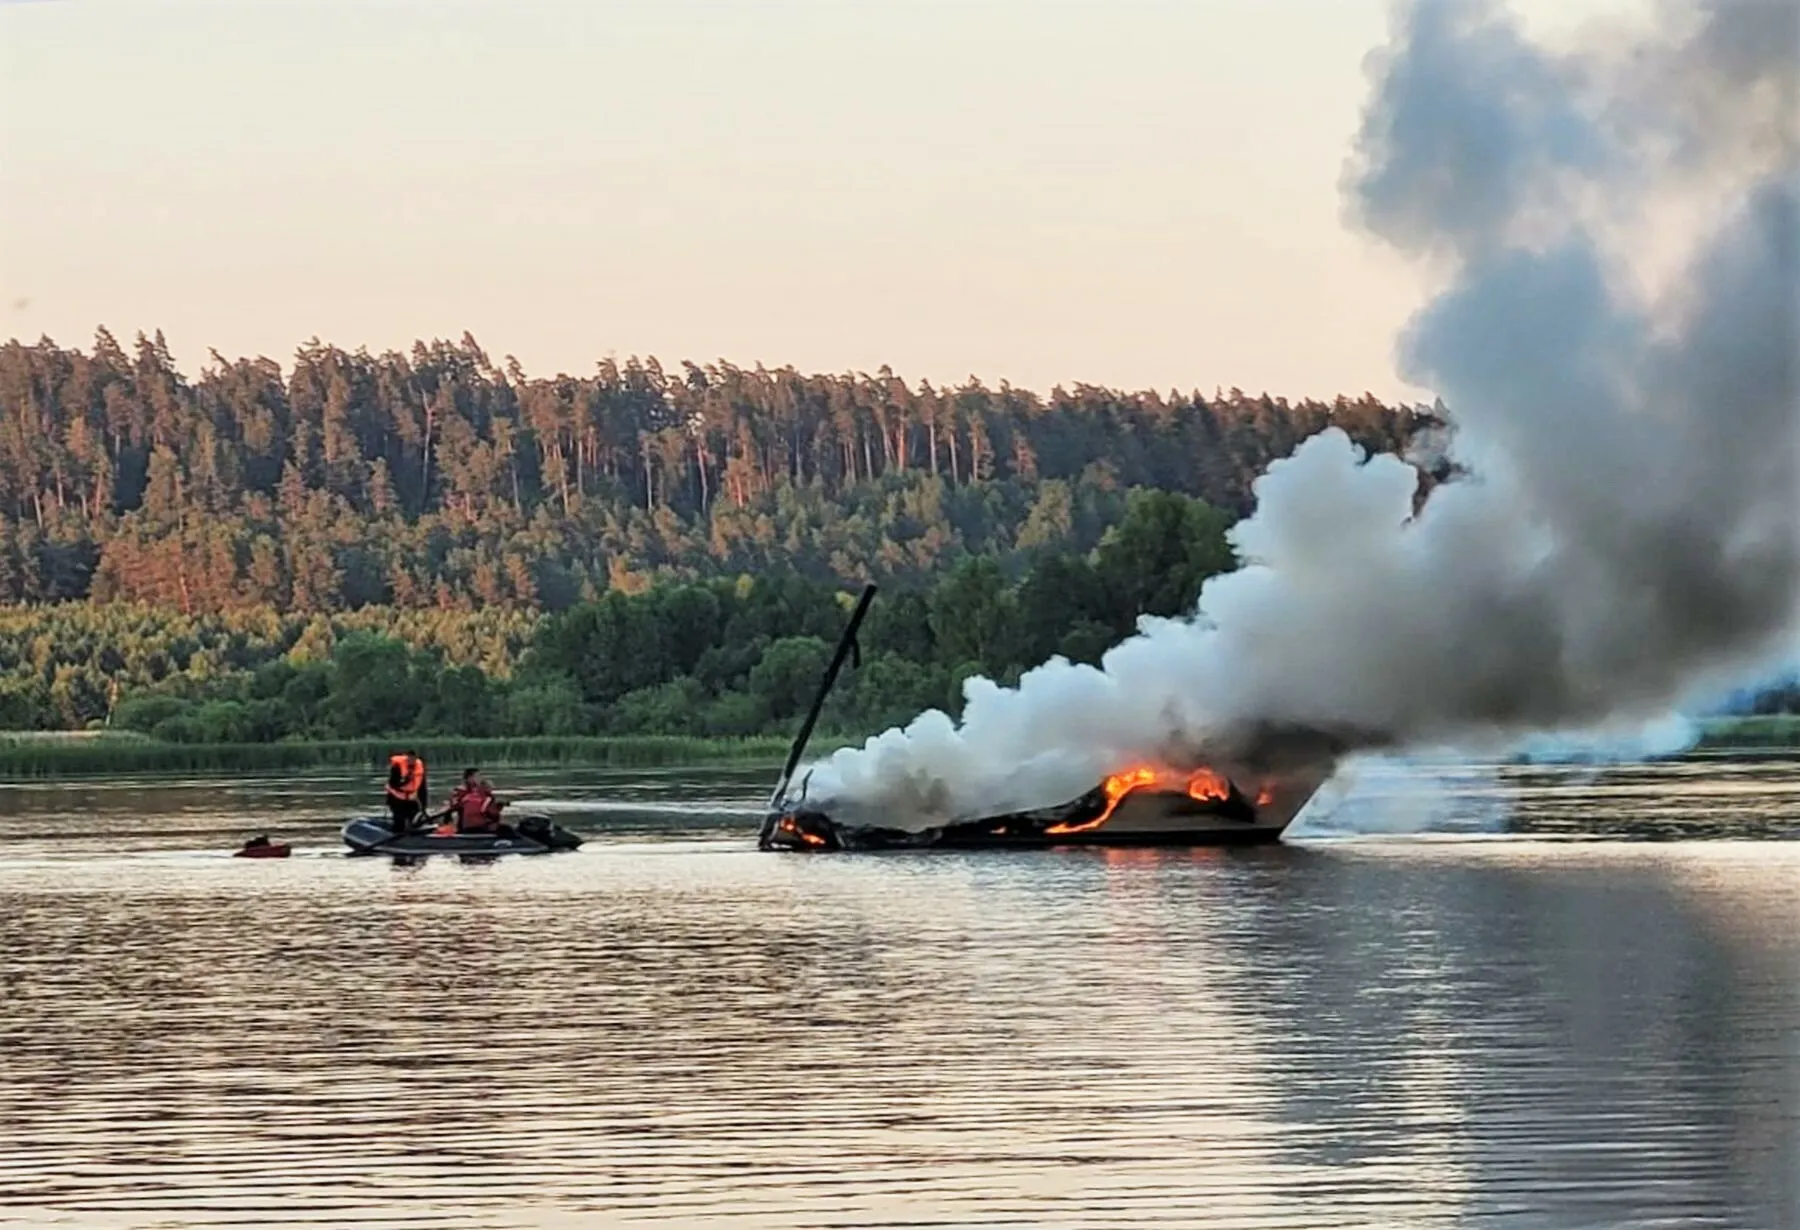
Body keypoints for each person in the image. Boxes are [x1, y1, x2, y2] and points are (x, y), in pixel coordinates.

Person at [441, 767, 508, 835]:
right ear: (469, 778)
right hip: (468, 824)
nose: (480, 778)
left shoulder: (477, 792)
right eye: (477, 776)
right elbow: (455, 805)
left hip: (474, 823)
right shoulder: (461, 791)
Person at [385, 749, 428, 835]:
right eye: (409, 759)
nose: (411, 762)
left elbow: (422, 789)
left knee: (416, 819)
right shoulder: (397, 767)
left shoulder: (419, 768)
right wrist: (406, 780)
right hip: (396, 798)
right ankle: (396, 833)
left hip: (410, 799)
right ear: (406, 758)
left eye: (413, 759)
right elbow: (393, 784)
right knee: (399, 820)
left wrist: (424, 807)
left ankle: (413, 836)